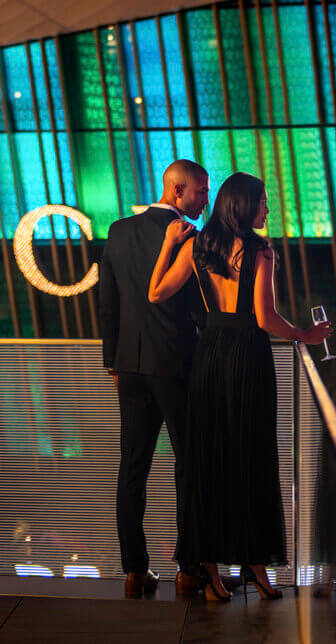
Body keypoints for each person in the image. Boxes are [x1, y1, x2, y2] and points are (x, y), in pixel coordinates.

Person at [148, 172, 331, 602]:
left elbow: (155, 292)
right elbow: (266, 319)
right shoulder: (261, 252)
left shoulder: (198, 245)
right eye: (264, 202)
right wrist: (306, 334)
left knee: (209, 461)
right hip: (248, 356)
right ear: (245, 207)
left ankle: (210, 571)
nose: (268, 210)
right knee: (252, 458)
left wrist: (169, 245)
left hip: (209, 356)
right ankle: (255, 566)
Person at [99, 159, 209, 598]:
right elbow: (199, 305)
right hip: (176, 365)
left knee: (132, 466)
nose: (206, 199)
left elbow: (108, 303)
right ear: (178, 192)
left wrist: (113, 362)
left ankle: (134, 571)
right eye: (201, 191)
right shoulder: (190, 237)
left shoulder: (119, 231)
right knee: (190, 464)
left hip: (129, 366)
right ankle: (187, 570)